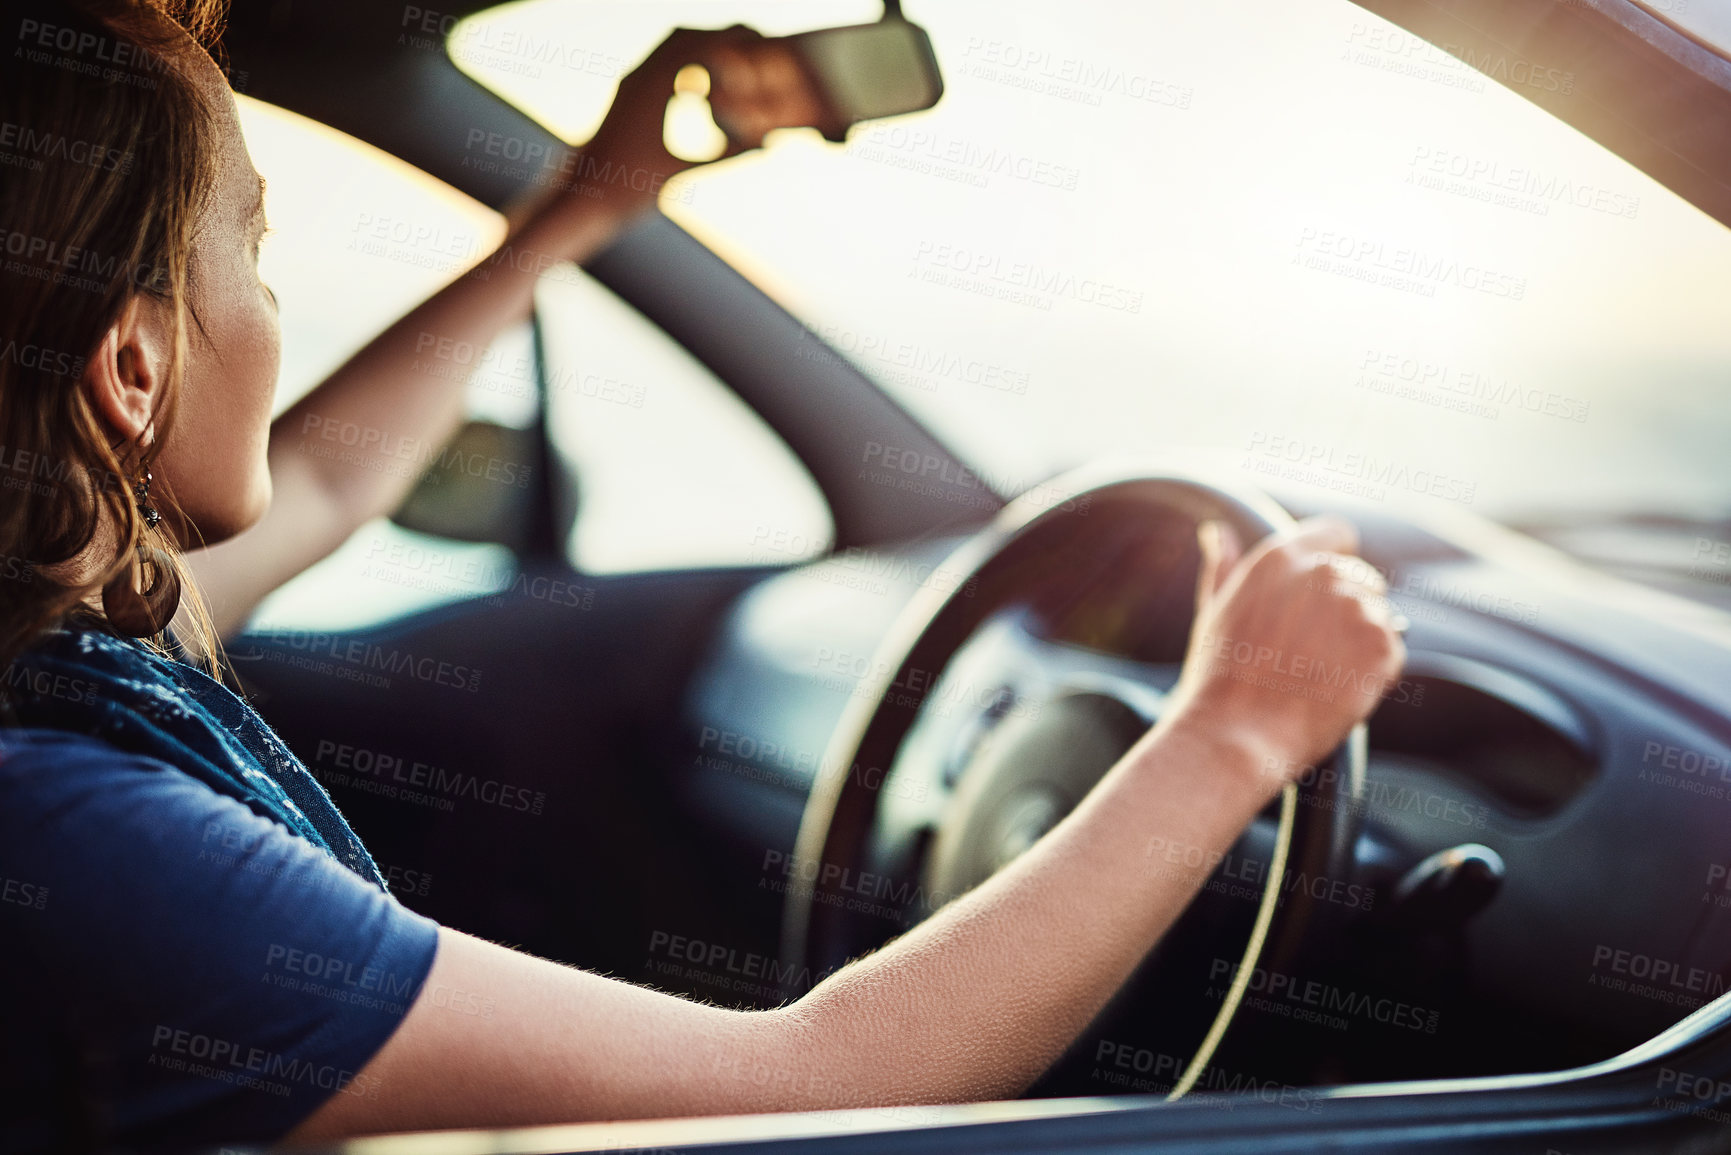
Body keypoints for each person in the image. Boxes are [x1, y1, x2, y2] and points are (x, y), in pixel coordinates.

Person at [0, 0, 1406, 1148]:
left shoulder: (59, 646)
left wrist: (584, 207)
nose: (274, 303)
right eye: (254, 249)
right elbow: (813, 1084)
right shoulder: (73, 827)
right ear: (133, 368)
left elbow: (325, 477)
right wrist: (1230, 734)